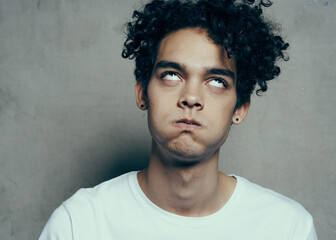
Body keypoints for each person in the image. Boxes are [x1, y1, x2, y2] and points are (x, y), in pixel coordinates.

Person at [40, 0, 317, 239]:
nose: (191, 97)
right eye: (172, 75)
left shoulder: (287, 228)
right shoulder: (79, 224)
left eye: (217, 81)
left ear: (240, 108)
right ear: (142, 93)